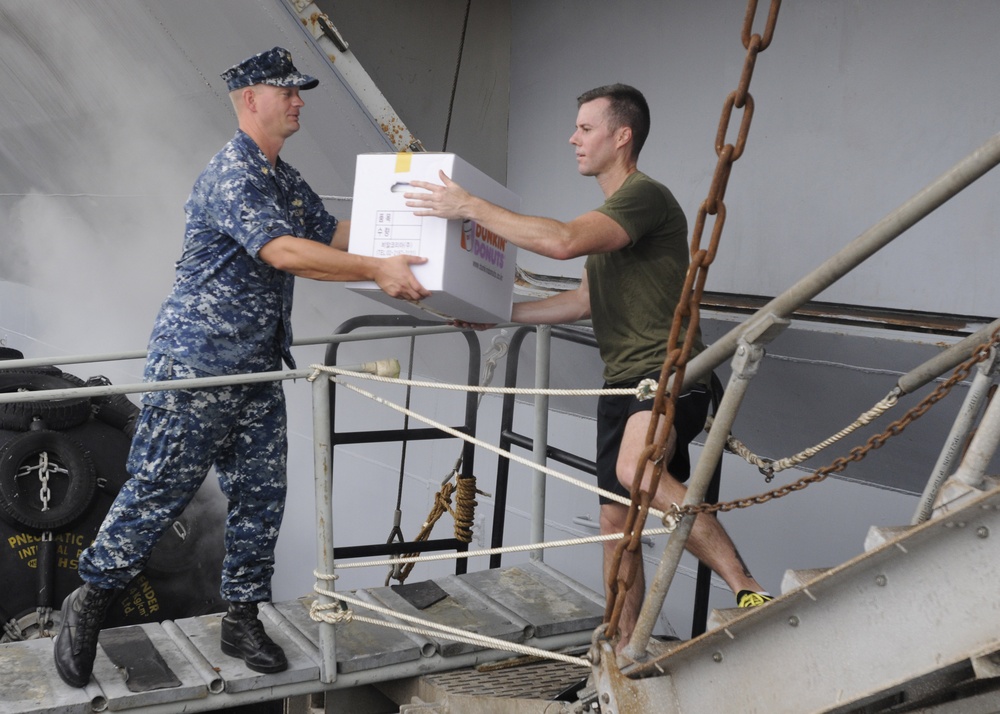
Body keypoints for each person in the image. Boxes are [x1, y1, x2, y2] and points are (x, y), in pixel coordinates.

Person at [54, 46, 430, 688]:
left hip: (256, 367)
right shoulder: (234, 172)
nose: (299, 99)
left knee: (261, 496)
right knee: (157, 490)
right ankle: (88, 600)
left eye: (300, 90)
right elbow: (284, 250)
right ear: (251, 99)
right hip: (199, 367)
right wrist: (378, 270)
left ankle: (241, 614)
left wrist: (417, 230)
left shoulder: (279, 174)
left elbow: (330, 231)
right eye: (287, 91)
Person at [405, 83, 770, 653]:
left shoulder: (644, 198)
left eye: (585, 128)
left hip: (672, 374)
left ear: (621, 137)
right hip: (622, 384)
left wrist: (469, 206)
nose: (572, 138)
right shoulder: (610, 217)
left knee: (637, 470)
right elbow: (580, 301)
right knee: (612, 527)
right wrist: (496, 316)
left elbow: (563, 241)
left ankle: (746, 587)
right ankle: (624, 649)